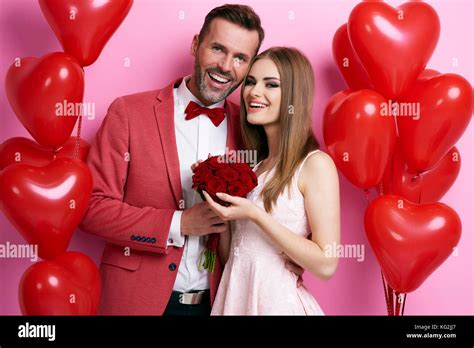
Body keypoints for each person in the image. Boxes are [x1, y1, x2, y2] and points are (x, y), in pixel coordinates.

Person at [80, 4, 301, 316]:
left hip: (221, 303)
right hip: (137, 301)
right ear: (196, 45)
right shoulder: (128, 113)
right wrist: (179, 223)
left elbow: (272, 208)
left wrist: (285, 259)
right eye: (217, 49)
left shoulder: (252, 128)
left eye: (240, 58)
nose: (226, 66)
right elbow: (91, 207)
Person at [202, 47, 341, 315]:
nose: (254, 92)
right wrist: (217, 209)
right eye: (251, 82)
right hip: (236, 302)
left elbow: (326, 263)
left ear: (293, 97)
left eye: (271, 84)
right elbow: (235, 257)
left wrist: (256, 215)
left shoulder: (314, 165)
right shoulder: (255, 167)